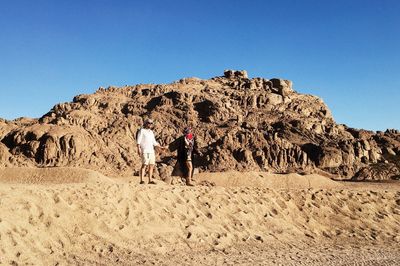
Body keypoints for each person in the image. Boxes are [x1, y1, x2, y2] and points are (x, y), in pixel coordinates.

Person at [136, 118, 165, 184]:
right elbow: (138, 140)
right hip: (145, 150)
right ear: (145, 123)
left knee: (151, 165)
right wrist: (138, 148)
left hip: (151, 150)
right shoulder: (142, 130)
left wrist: (160, 147)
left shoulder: (151, 132)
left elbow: (154, 142)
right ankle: (142, 180)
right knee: (144, 165)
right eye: (149, 123)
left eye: (151, 123)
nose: (150, 124)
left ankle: (150, 180)